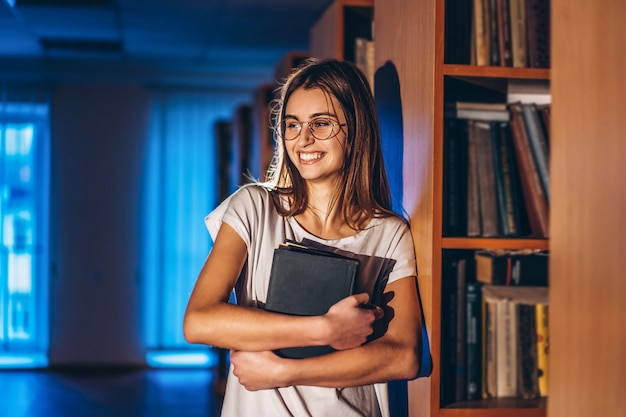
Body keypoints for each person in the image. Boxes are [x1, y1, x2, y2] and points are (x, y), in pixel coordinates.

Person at [183, 58, 423, 417]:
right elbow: (200, 321)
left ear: (356, 129)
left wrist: (286, 371)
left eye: (321, 124)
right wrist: (325, 329)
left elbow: (404, 357)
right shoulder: (253, 206)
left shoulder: (389, 233)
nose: (303, 139)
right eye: (292, 125)